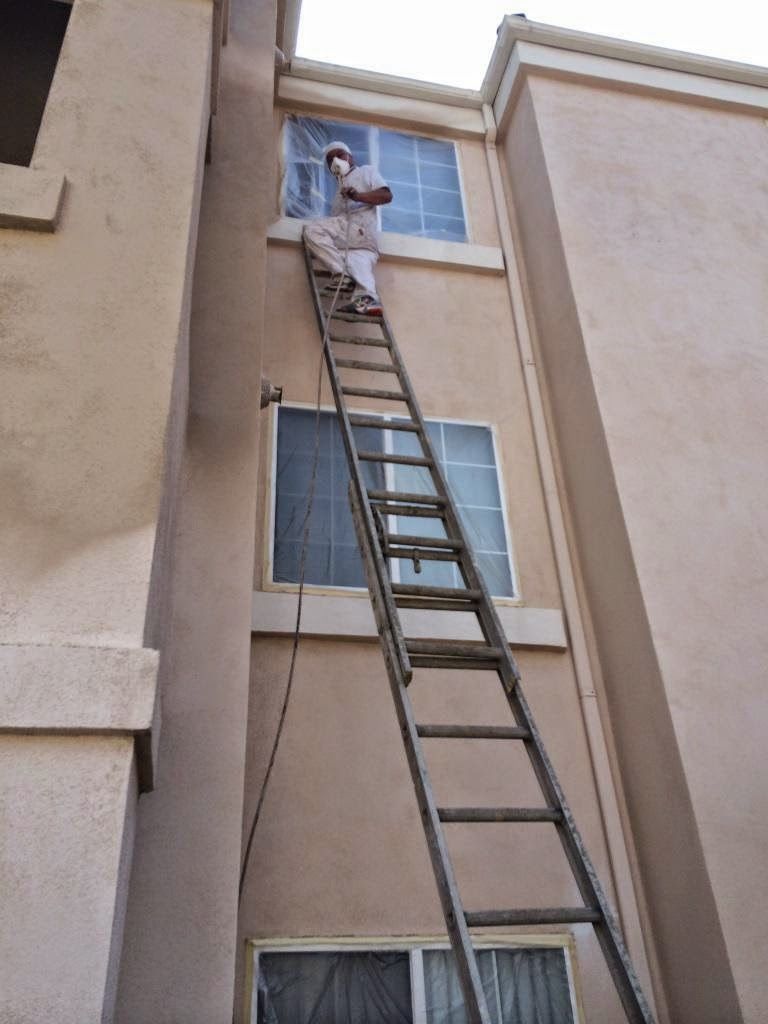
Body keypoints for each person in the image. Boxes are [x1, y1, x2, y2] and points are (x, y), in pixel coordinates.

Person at [303, 141, 393, 316]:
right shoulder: (338, 192)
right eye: (330, 160)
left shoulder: (365, 171)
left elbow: (386, 195)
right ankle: (367, 302)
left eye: (340, 155)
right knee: (356, 266)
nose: (335, 161)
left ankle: (340, 274)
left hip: (360, 229)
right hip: (358, 243)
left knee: (313, 230)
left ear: (350, 157)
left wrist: (357, 196)